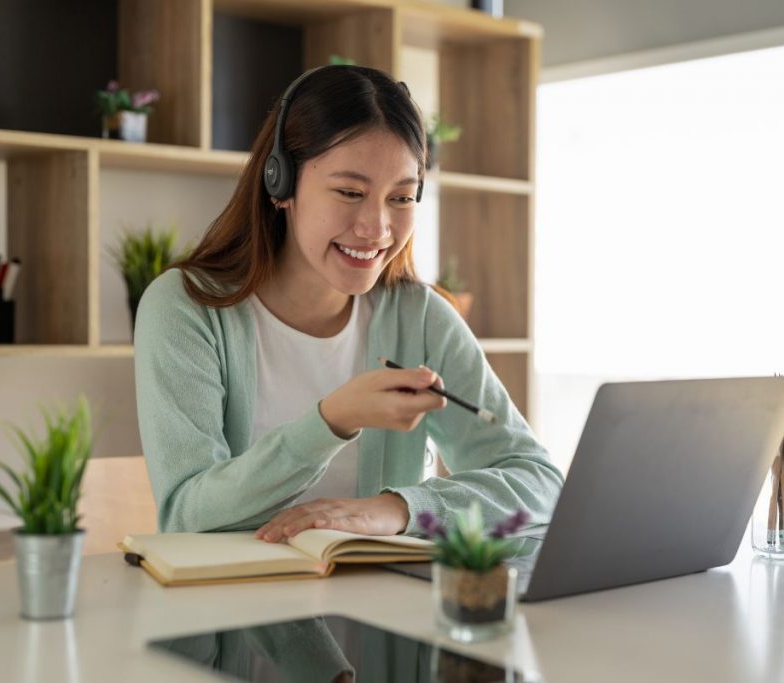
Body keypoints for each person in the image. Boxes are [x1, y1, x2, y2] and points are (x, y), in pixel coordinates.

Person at [133, 64, 563, 543]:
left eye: (401, 198)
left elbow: (540, 483)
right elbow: (186, 515)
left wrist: (400, 509)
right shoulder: (186, 308)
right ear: (281, 184)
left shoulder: (419, 317)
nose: (377, 228)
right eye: (350, 193)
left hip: (377, 607)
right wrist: (332, 421)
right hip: (234, 607)